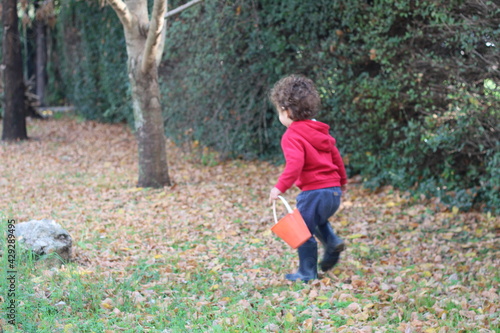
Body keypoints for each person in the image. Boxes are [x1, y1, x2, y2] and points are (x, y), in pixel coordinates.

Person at [268, 74, 348, 282]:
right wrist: (343, 183)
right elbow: (336, 158)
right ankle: (331, 241)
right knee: (316, 220)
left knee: (302, 230)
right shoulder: (320, 131)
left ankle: (307, 272)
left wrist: (279, 188)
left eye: (279, 111)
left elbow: (295, 165)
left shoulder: (292, 135)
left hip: (313, 192)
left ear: (286, 111)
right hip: (333, 192)